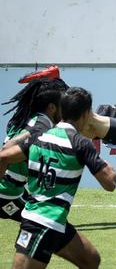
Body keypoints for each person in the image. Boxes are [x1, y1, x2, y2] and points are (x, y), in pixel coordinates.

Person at [0, 87, 116, 269]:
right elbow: (110, 183)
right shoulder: (80, 143)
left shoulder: (39, 137)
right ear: (87, 114)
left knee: (90, 260)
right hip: (41, 223)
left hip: (56, 223)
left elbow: (3, 156)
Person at [0, 77, 69, 221]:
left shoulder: (30, 116)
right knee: (53, 226)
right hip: (7, 196)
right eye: (63, 106)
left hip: (16, 190)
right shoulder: (41, 126)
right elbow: (5, 151)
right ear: (52, 107)